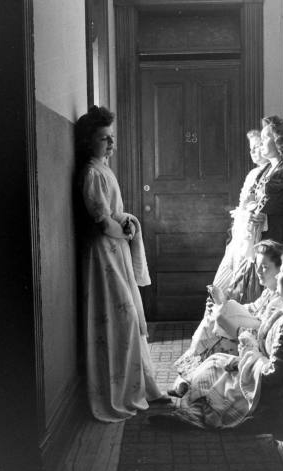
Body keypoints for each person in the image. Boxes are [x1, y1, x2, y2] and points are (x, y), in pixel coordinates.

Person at [151, 250, 283, 430]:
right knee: (214, 362)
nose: (277, 276)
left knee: (222, 378)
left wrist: (248, 351)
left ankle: (196, 416)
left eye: (282, 271)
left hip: (270, 390)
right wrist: (242, 358)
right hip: (257, 366)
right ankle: (195, 410)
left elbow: (274, 375)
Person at [75, 105, 167, 423]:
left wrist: (125, 225)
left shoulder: (104, 169)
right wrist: (124, 230)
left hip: (117, 250)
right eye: (104, 139)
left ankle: (144, 387)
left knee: (129, 316)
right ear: (89, 141)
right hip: (104, 254)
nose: (111, 144)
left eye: (112, 138)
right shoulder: (90, 173)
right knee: (121, 318)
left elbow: (113, 215)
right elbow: (101, 221)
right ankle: (121, 392)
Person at [168, 240, 283, 398]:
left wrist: (231, 322)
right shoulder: (268, 292)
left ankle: (189, 378)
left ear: (281, 270)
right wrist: (221, 303)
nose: (258, 271)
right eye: (257, 265)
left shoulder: (280, 301)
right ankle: (188, 377)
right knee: (213, 318)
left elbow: (263, 333)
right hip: (247, 331)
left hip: (253, 343)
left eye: (265, 267)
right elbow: (251, 308)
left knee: (217, 328)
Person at [213, 130, 272, 304]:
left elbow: (261, 207)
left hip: (253, 236)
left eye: (258, 146)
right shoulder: (253, 174)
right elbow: (244, 203)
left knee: (243, 285)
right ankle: (220, 320)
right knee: (222, 282)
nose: (253, 152)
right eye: (251, 148)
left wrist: (249, 208)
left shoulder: (271, 174)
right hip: (240, 234)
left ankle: (234, 321)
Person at [251, 115, 283, 249]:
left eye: (265, 138)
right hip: (261, 235)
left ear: (278, 141)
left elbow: (279, 208)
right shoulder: (265, 170)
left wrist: (261, 215)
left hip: (277, 237)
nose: (260, 144)